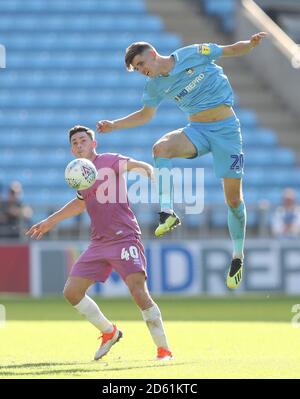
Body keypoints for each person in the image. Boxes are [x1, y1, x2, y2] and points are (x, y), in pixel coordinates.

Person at [96, 32, 268, 289]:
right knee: (160, 148)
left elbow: (230, 49)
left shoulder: (193, 53)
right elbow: (145, 115)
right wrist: (114, 125)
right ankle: (167, 212)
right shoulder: (155, 85)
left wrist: (250, 45)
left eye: (141, 64)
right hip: (197, 130)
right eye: (136, 69)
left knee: (233, 200)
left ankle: (237, 256)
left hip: (227, 132)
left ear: (153, 54)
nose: (141, 70)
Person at [26, 125, 172, 361]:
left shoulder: (109, 161)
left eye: (83, 140)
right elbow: (81, 203)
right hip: (99, 242)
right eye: (74, 142)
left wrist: (151, 173)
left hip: (124, 237)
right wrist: (50, 221)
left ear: (94, 144)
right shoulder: (82, 174)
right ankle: (109, 332)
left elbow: (137, 165)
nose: (79, 144)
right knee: (72, 292)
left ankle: (164, 350)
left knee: (138, 292)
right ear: (72, 150)